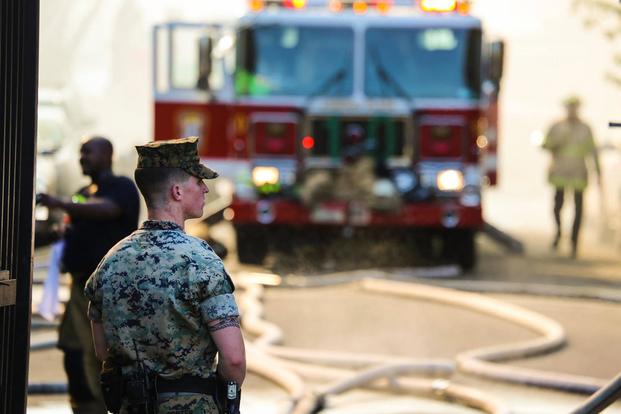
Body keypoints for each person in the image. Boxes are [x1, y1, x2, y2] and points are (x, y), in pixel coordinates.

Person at [84, 137, 245, 414]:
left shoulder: (109, 262)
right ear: (177, 192)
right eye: (198, 181)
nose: (205, 188)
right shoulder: (201, 262)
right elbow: (233, 359)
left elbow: (103, 351)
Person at [38, 136, 140, 413]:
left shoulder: (121, 187)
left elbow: (107, 210)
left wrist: (60, 203)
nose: (82, 158)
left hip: (107, 293)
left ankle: (105, 407)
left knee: (99, 356)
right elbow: (75, 217)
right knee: (72, 350)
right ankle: (84, 407)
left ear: (108, 155)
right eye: (80, 153)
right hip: (79, 287)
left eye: (88, 152)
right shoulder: (83, 191)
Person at [543, 96, 601, 259]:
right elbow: (546, 145)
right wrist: (557, 141)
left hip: (578, 174)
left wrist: (598, 173)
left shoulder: (585, 128)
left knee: (579, 210)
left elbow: (593, 151)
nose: (572, 110)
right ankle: (559, 233)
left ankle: (574, 242)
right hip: (560, 172)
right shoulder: (556, 126)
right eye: (569, 107)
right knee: (557, 207)